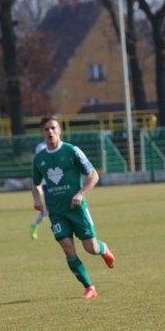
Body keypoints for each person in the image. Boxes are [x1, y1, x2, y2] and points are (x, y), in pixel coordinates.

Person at [31, 115, 116, 299]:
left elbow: (93, 174)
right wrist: (37, 199)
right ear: (42, 133)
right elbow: (36, 183)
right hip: (56, 212)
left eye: (53, 128)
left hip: (76, 208)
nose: (50, 132)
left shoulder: (72, 151)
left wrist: (81, 193)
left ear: (60, 130)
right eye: (46, 129)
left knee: (90, 248)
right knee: (68, 248)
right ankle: (89, 287)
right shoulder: (39, 159)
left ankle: (104, 249)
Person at [29, 141, 48, 239]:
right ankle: (34, 225)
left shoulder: (62, 146)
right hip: (46, 183)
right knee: (47, 211)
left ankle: (34, 225)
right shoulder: (41, 146)